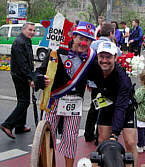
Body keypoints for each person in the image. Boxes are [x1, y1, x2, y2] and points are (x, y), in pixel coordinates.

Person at [35, 21, 96, 167]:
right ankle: (47, 163)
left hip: (75, 101)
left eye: (87, 40)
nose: (83, 43)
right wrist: (38, 80)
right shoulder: (57, 50)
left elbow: (97, 76)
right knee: (47, 136)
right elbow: (40, 71)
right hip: (54, 99)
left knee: (70, 138)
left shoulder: (91, 56)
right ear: (73, 36)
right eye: (81, 38)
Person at [88, 41, 138, 167]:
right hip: (107, 104)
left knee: (130, 142)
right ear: (97, 57)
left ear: (115, 58)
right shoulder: (93, 67)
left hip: (125, 107)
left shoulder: (123, 80)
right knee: (102, 140)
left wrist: (115, 134)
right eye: (102, 57)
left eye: (108, 57)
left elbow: (120, 108)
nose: (104, 60)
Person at [84, 22, 121, 143]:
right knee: (104, 108)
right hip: (107, 83)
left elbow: (87, 63)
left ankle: (88, 133)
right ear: (111, 33)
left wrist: (88, 81)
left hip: (94, 82)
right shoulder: (111, 45)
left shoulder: (93, 44)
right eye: (114, 32)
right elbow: (119, 60)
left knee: (94, 106)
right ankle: (99, 135)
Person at [0, 22, 36, 139]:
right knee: (24, 101)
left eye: (33, 30)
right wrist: (30, 78)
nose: (32, 32)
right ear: (23, 30)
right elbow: (22, 64)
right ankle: (7, 124)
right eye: (30, 30)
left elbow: (28, 60)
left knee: (23, 100)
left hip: (22, 74)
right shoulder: (19, 42)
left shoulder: (25, 40)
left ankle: (20, 126)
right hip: (20, 76)